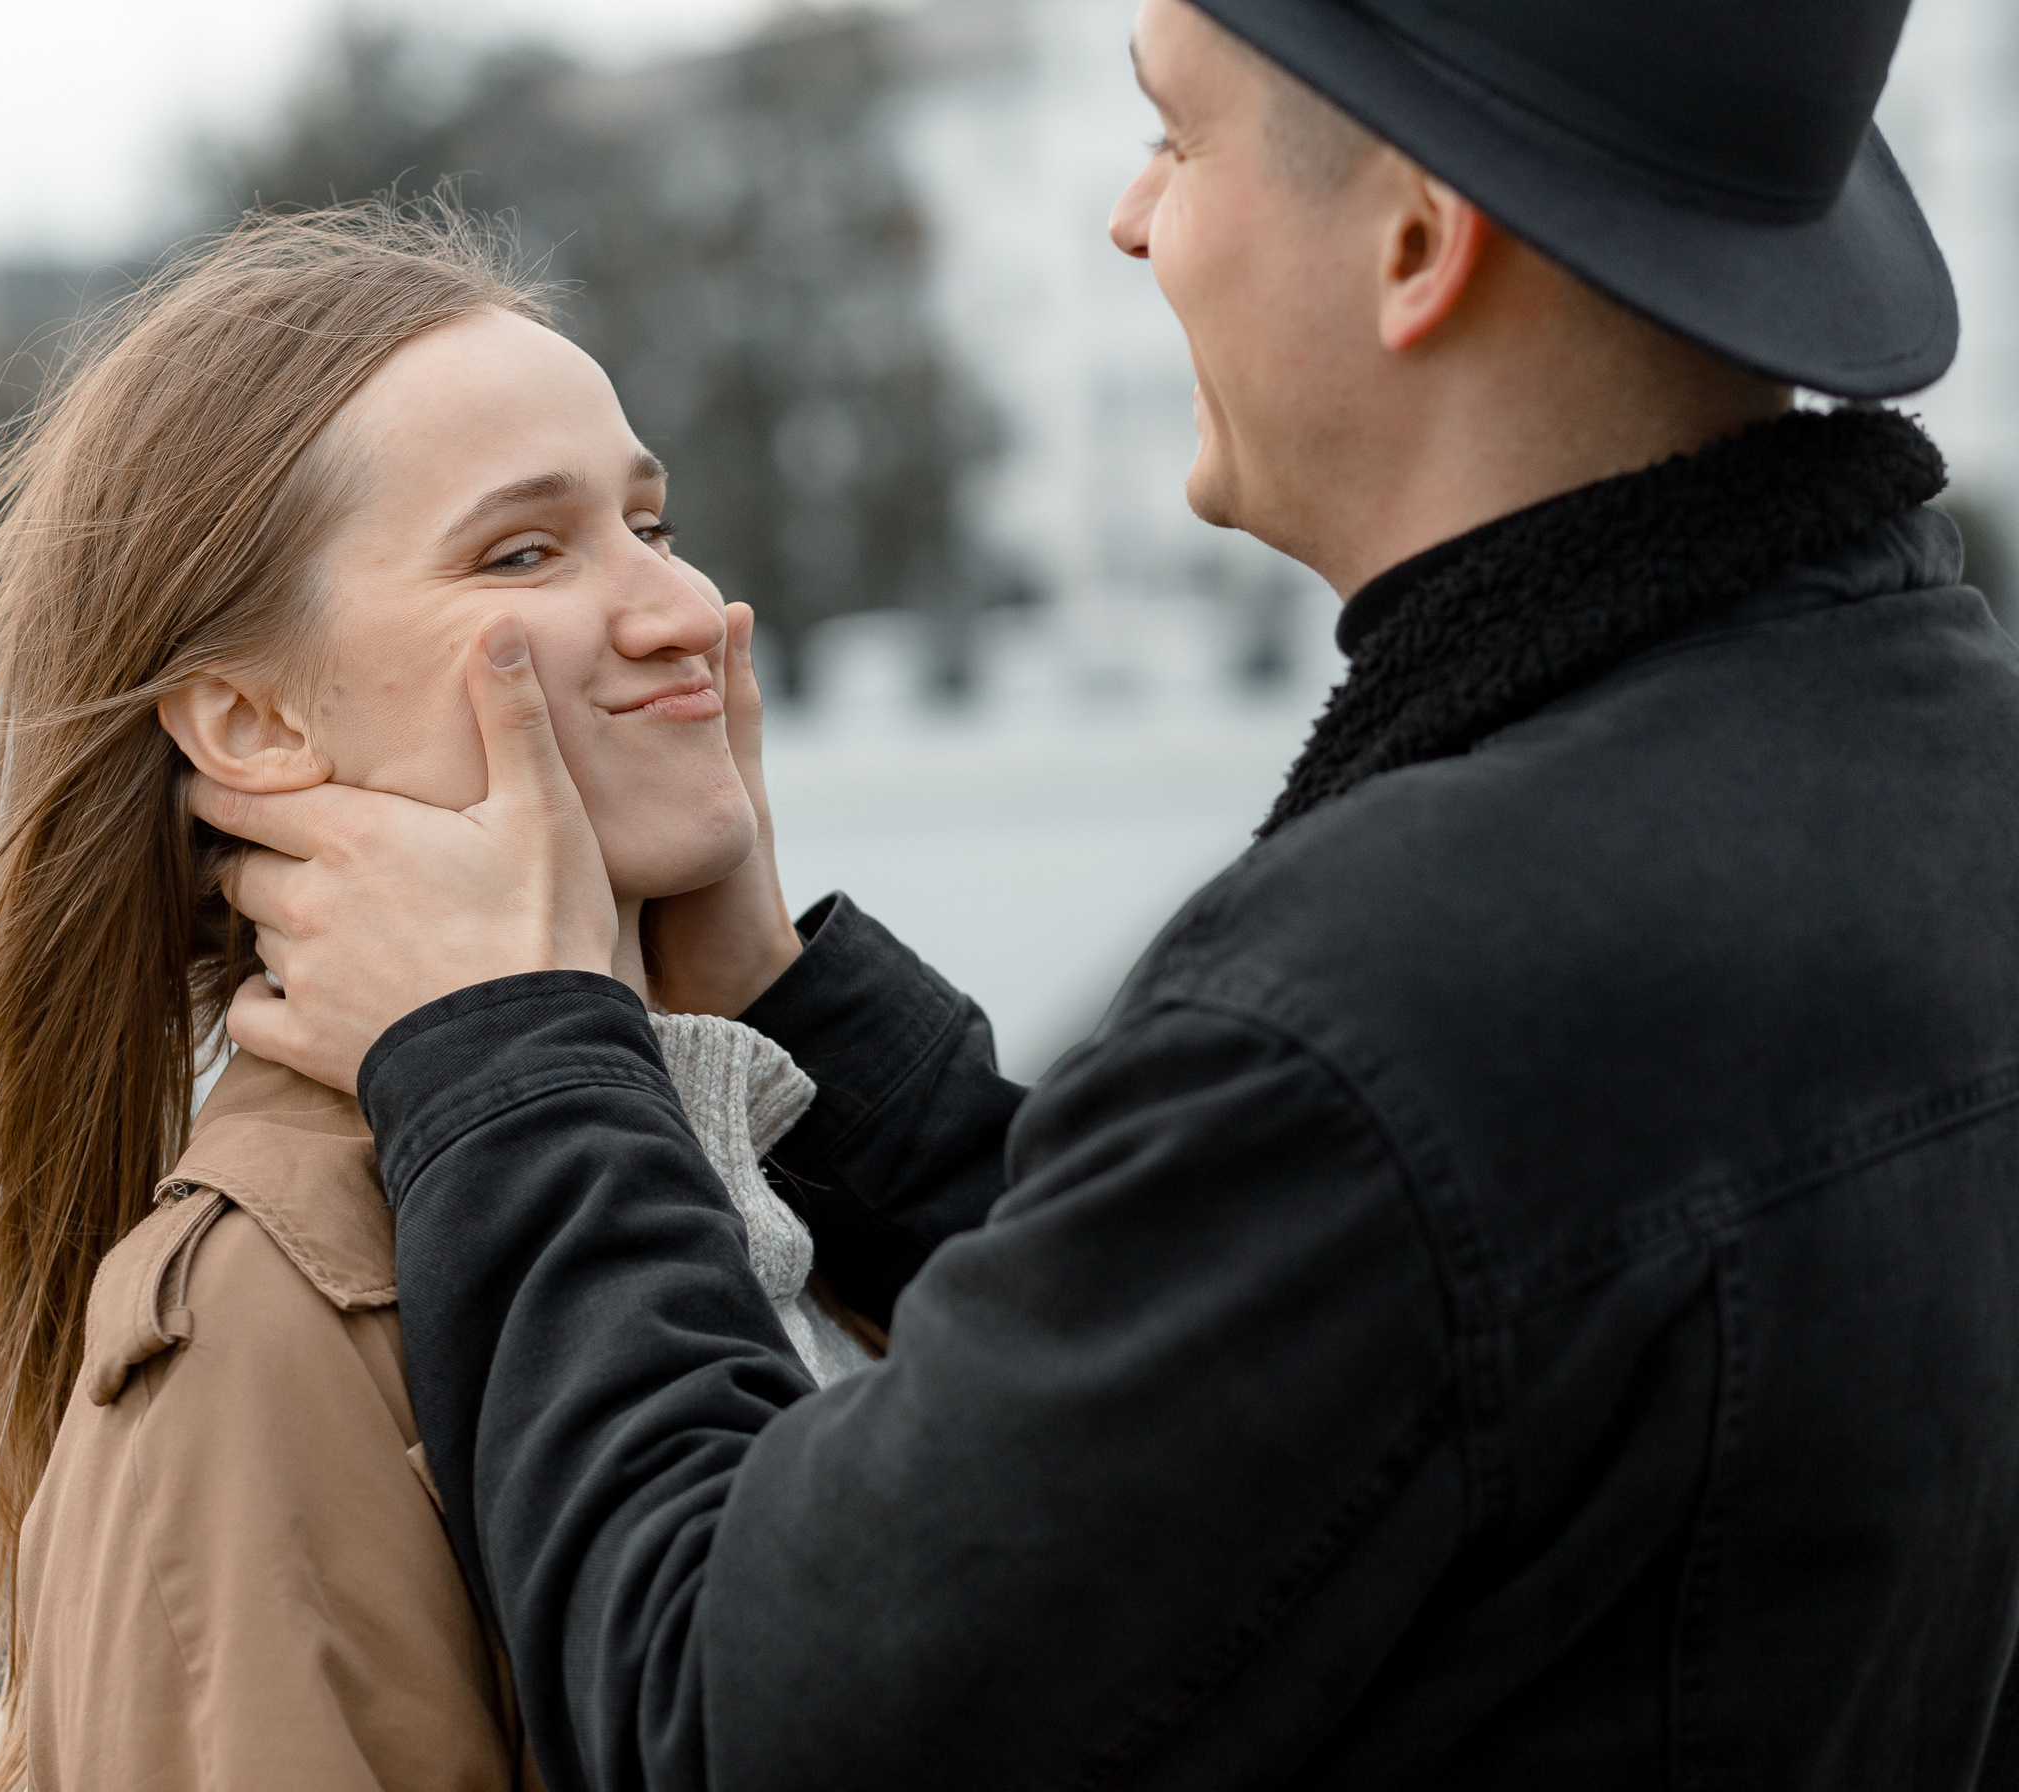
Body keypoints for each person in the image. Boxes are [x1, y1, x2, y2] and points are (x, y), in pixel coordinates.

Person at [198, 0, 2019, 1787]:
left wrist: (506, 1063)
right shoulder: (1929, 764)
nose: (1131, 218)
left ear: (1413, 242)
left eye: (1174, 133)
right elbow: (1292, 1369)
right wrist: (784, 1008)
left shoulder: (1409, 995)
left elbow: (725, 1714)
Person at [0, 204, 870, 1792]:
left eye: (654, 522)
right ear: (250, 724)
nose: (684, 611)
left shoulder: (760, 1145)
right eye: (525, 550)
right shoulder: (264, 1330)